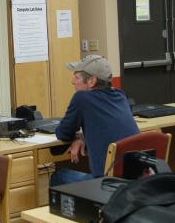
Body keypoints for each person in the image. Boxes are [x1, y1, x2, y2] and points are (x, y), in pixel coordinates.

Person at [51, 55, 139, 186]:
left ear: (92, 81)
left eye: (77, 77)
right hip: (133, 183)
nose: (72, 81)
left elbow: (63, 134)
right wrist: (83, 138)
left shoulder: (81, 98)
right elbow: (107, 126)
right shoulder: (120, 95)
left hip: (106, 185)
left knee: (58, 176)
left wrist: (77, 138)